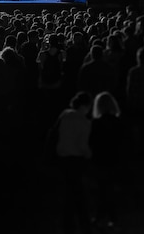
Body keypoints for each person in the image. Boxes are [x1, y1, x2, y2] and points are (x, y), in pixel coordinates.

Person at [55, 91, 93, 234]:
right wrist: (89, 154)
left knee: (69, 193)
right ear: (85, 106)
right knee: (79, 194)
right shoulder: (84, 122)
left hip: (63, 158)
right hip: (76, 160)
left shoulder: (65, 115)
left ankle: (68, 224)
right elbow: (82, 145)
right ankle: (84, 223)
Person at [89, 91, 123, 230]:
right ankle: (112, 217)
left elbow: (91, 142)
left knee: (102, 189)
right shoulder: (118, 122)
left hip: (100, 159)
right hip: (115, 159)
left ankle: (100, 216)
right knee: (110, 189)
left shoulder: (95, 123)